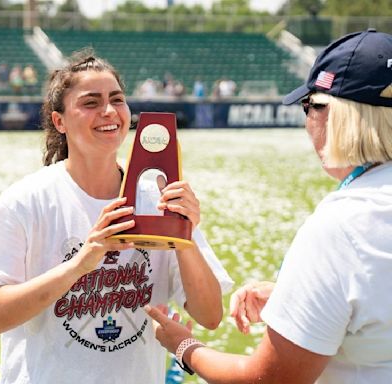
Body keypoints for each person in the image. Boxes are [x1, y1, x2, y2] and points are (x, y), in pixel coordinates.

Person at [0, 51, 233, 383]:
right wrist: (79, 265)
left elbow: (210, 314)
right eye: (91, 102)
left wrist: (183, 235)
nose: (109, 111)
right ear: (59, 121)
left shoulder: (157, 198)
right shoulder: (27, 199)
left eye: (117, 99)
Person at [146, 29, 392, 383]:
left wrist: (185, 347)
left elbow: (271, 379)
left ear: (337, 116)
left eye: (310, 106)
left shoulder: (342, 226)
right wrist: (302, 298)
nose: (308, 122)